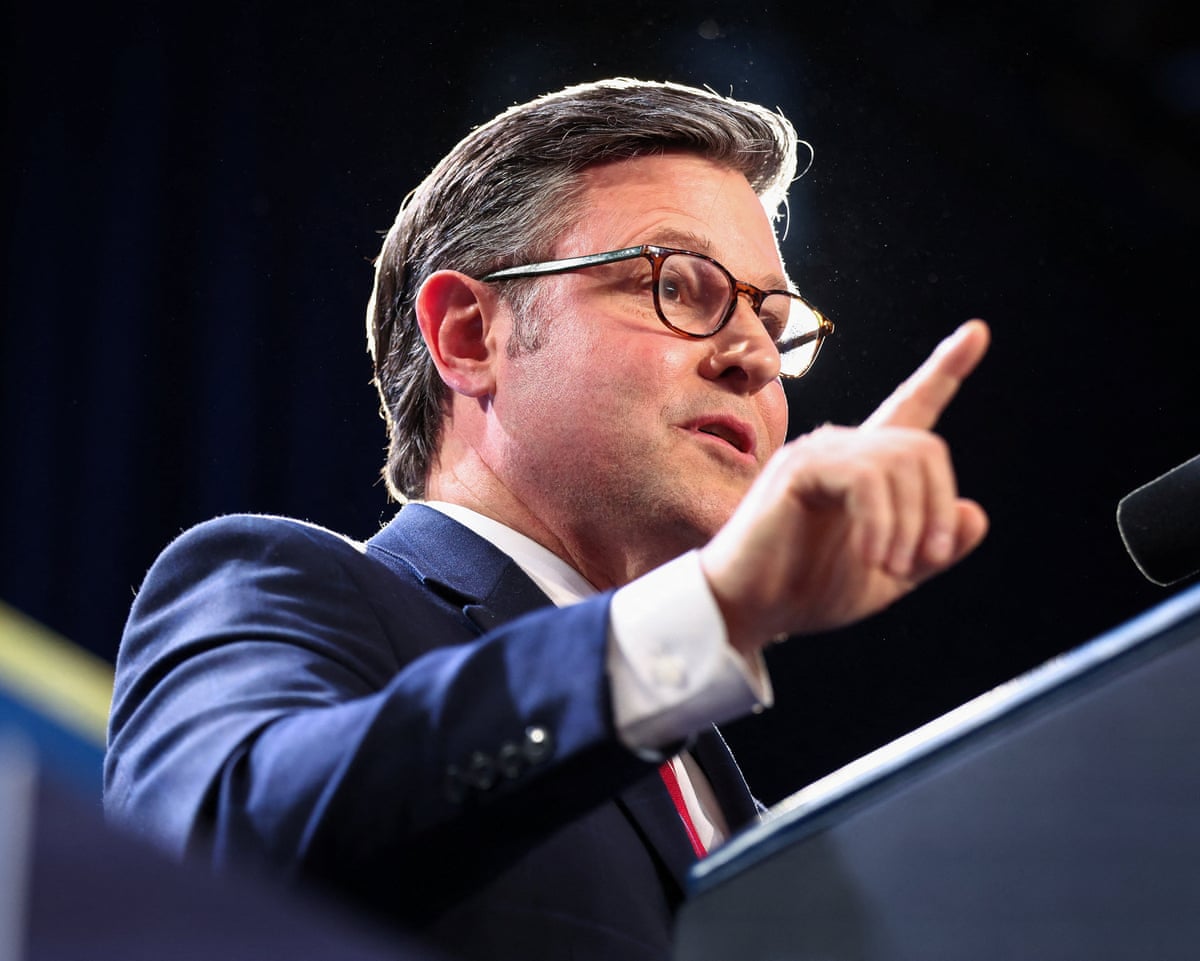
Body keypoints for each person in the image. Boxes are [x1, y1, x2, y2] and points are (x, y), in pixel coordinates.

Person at [104, 78, 989, 961]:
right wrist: (707, 614)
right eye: (679, 286)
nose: (754, 356)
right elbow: (215, 859)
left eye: (774, 319)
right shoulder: (282, 587)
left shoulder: (716, 786)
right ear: (468, 337)